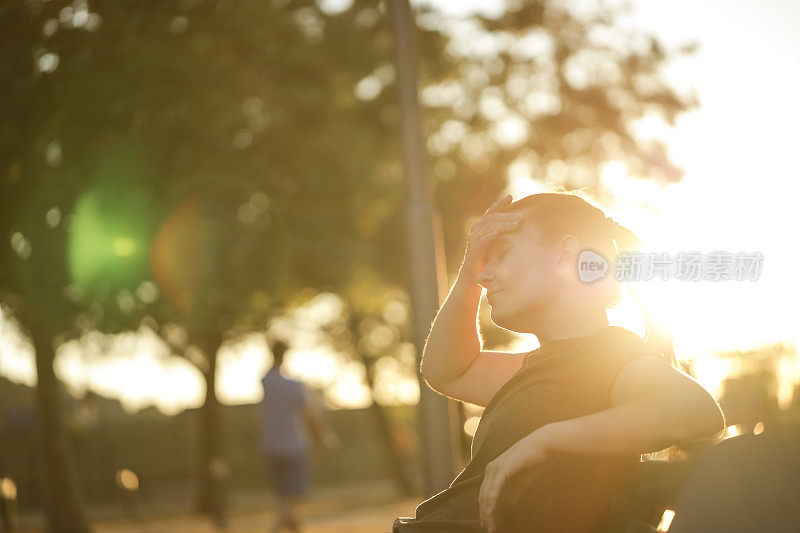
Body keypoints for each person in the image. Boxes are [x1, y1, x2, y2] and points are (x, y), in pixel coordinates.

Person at [392, 191, 726, 532]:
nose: (483, 274)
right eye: (481, 264)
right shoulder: (541, 367)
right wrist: (466, 274)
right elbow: (446, 371)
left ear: (566, 255)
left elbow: (697, 410)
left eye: (501, 255)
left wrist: (546, 440)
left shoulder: (606, 352)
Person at [259, 339, 340, 533]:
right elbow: (309, 413)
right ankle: (280, 524)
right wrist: (324, 435)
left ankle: (290, 523)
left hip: (270, 443)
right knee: (296, 491)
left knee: (281, 492)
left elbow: (267, 374)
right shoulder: (293, 386)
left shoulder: (266, 382)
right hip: (293, 445)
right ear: (285, 356)